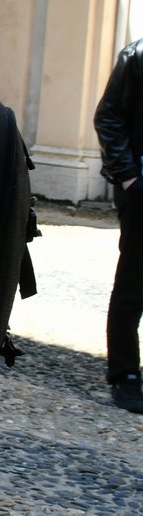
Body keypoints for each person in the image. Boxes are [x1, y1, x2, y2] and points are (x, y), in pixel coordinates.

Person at [94, 39, 143, 413]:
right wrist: (128, 177)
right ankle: (124, 375)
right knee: (133, 283)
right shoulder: (136, 56)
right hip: (140, 187)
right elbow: (109, 116)